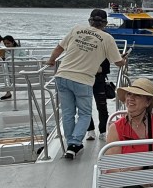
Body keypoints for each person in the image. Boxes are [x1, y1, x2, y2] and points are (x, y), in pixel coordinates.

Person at [47, 9, 127, 160]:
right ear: (105, 23)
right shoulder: (107, 38)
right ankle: (74, 144)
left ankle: (70, 144)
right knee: (84, 113)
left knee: (68, 113)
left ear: (90, 21)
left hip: (62, 75)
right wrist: (123, 60)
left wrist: (51, 61)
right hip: (82, 80)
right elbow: (118, 62)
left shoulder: (76, 29)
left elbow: (59, 48)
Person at [104, 78, 153, 151]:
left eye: (137, 95)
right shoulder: (115, 128)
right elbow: (113, 158)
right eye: (129, 94)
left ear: (148, 102)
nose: (131, 98)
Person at [85, 58, 111, 142]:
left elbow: (107, 64)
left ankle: (103, 131)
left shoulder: (103, 50)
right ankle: (90, 130)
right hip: (84, 78)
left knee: (102, 106)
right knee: (85, 106)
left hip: (99, 78)